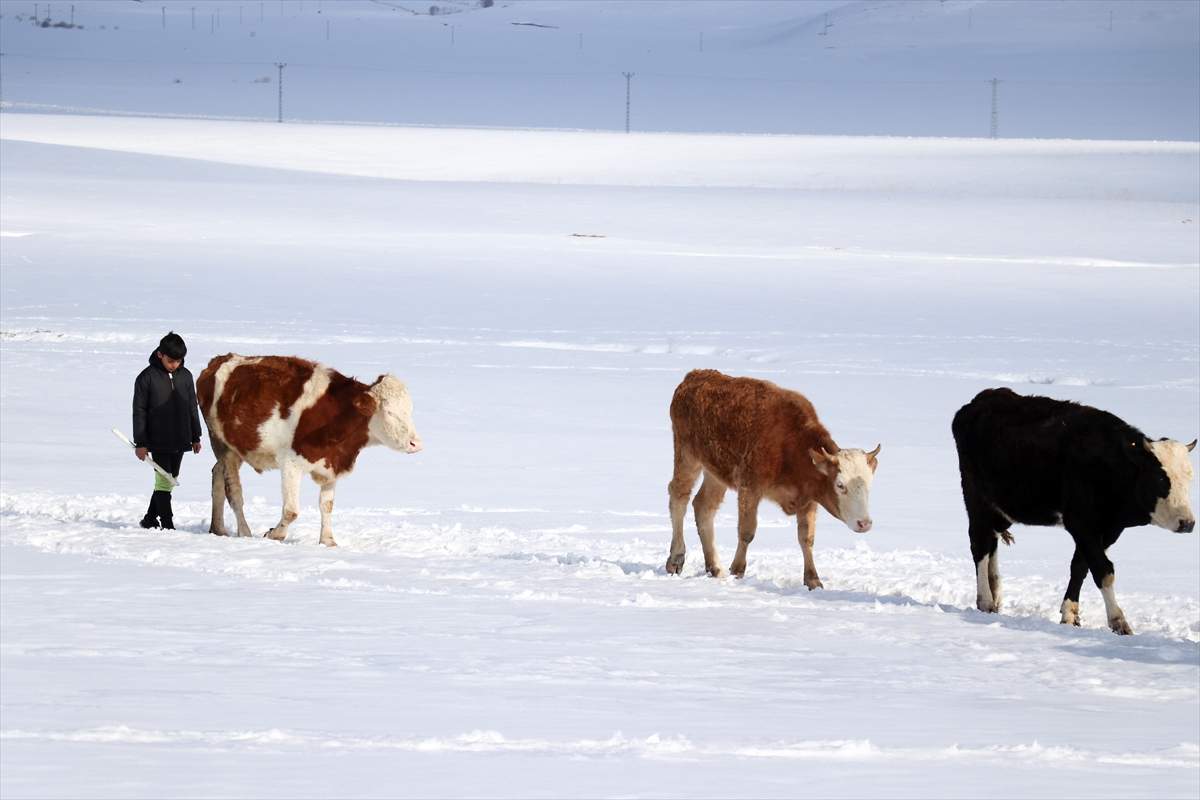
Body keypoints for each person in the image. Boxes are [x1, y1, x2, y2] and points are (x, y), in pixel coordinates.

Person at [133, 331, 203, 529]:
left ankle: (149, 519)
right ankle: (167, 524)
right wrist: (142, 443)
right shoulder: (146, 378)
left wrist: (195, 436)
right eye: (171, 360)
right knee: (164, 481)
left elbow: (192, 407)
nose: (175, 365)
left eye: (179, 361)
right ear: (159, 354)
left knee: (170, 480)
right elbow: (139, 412)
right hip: (158, 439)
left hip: (181, 438)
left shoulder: (186, 376)